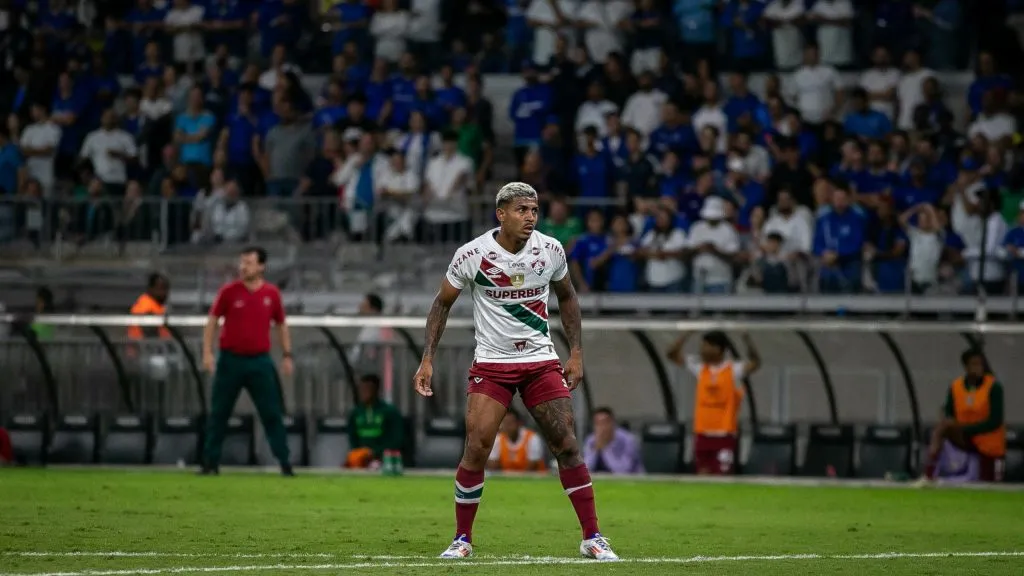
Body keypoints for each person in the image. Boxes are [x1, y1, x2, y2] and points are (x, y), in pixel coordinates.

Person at [413, 182, 618, 561]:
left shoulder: (550, 249)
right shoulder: (472, 254)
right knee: (476, 448)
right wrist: (427, 358)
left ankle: (592, 536)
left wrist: (575, 353)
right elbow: (441, 305)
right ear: (501, 213)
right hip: (492, 365)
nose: (530, 217)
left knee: (568, 446)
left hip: (541, 362)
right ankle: (462, 539)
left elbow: (568, 297)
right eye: (522, 210)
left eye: (535, 210)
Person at [200, 246, 295, 477]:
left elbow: (281, 325)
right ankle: (210, 463)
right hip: (231, 359)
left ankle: (284, 462)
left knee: (271, 412)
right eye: (242, 262)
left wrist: (286, 354)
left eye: (249, 263)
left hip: (259, 361)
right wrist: (207, 353)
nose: (244, 267)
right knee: (219, 412)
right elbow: (212, 321)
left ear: (261, 266)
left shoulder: (271, 294)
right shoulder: (229, 292)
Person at [665, 331, 762, 475]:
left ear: (718, 349)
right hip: (702, 434)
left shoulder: (733, 370)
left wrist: (746, 338)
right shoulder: (699, 368)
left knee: (722, 477)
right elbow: (671, 354)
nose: (701, 350)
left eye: (706, 346)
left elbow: (755, 363)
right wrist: (686, 334)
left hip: (724, 435)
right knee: (702, 476)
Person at [918, 348, 1005, 484]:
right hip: (965, 438)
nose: (978, 368)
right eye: (974, 364)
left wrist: (966, 428)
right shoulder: (956, 386)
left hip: (987, 442)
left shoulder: (993, 387)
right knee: (943, 427)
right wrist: (950, 421)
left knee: (987, 486)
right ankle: (929, 473)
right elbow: (949, 413)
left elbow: (995, 421)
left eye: (980, 364)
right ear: (966, 367)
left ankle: (934, 473)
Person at [346, 374, 404, 474]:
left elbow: (397, 440)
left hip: (384, 459)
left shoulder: (390, 412)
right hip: (360, 459)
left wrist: (374, 453)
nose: (364, 392)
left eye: (368, 389)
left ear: (376, 390)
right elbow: (353, 438)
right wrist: (359, 454)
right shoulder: (355, 413)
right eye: (362, 389)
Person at [582, 407, 644, 474]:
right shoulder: (591, 440)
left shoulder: (627, 440)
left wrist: (605, 448)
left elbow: (623, 471)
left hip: (632, 482)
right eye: (598, 423)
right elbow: (586, 470)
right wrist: (595, 450)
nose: (601, 427)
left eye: (604, 423)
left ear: (612, 423)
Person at [128, 273, 171, 340]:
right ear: (150, 288)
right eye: (160, 288)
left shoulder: (156, 304)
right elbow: (150, 334)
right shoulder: (146, 305)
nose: (164, 292)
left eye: (166, 289)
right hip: (142, 348)